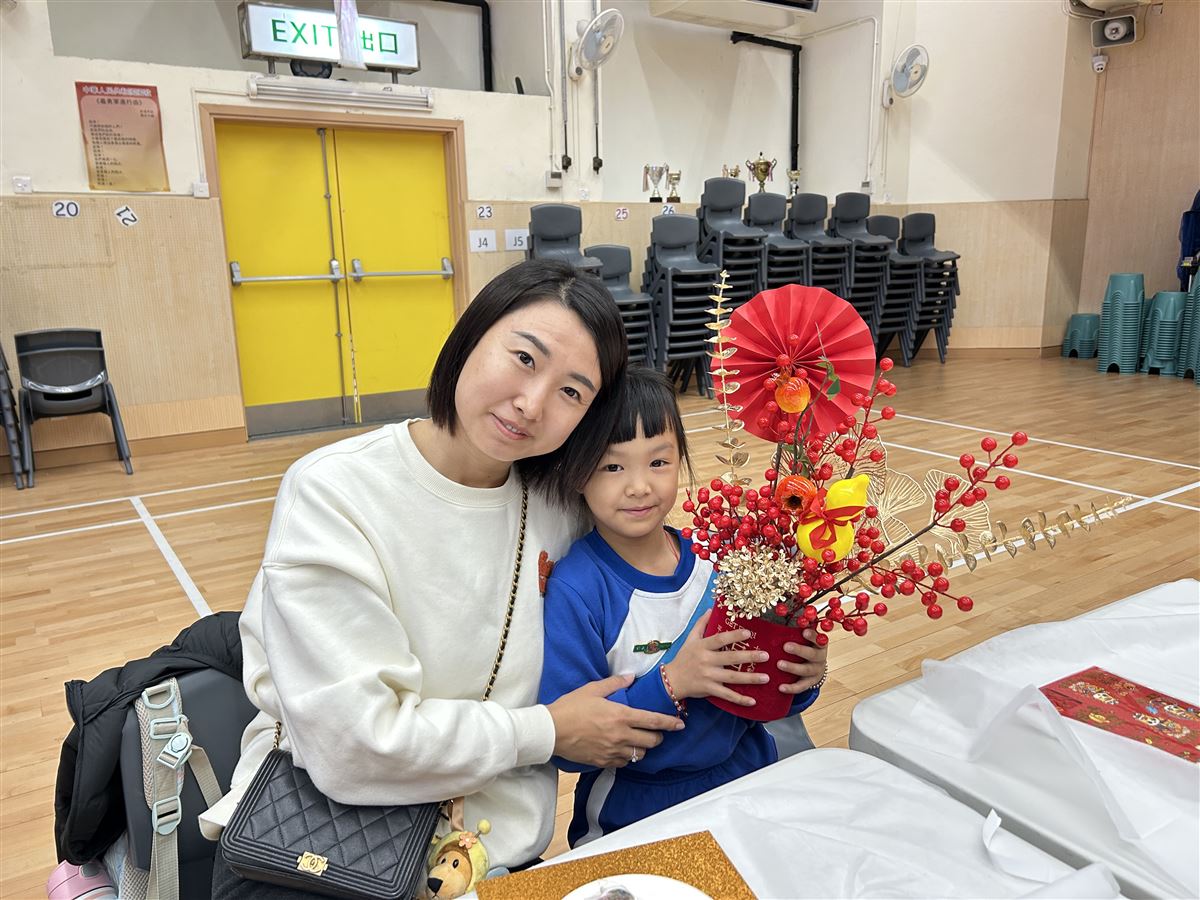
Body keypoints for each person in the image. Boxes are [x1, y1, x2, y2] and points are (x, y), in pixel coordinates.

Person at [203, 260, 686, 897]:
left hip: (494, 854)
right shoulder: (334, 491)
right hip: (317, 847)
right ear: (469, 335)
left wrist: (774, 632)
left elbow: (651, 607)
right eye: (523, 358)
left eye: (572, 392)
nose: (532, 404)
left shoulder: (561, 505)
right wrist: (546, 730)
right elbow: (355, 746)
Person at [538, 367, 828, 847]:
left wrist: (802, 674)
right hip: (636, 809)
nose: (639, 486)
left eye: (659, 461)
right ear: (576, 472)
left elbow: (763, 691)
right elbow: (568, 746)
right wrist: (674, 682)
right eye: (612, 467)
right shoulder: (578, 589)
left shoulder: (722, 560)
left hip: (749, 776)